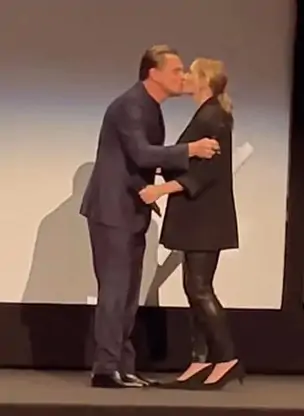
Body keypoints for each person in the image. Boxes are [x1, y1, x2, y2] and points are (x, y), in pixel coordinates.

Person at [80, 45, 221, 389]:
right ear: (153, 73)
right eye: (176, 70)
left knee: (129, 293)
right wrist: (192, 150)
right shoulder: (130, 105)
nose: (183, 76)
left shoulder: (150, 108)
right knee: (115, 290)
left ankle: (122, 366)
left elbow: (141, 162)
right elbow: (142, 154)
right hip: (112, 211)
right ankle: (105, 368)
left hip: (131, 210)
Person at [138, 58, 242, 390]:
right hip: (198, 215)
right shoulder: (207, 114)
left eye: (190, 74)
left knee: (199, 288)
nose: (183, 78)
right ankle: (201, 360)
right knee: (194, 289)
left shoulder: (214, 117)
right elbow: (188, 160)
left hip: (205, 217)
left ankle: (227, 359)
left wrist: (160, 189)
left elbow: (206, 173)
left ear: (204, 81)